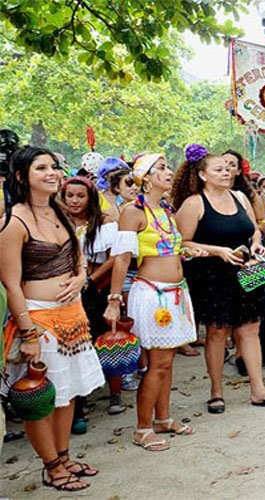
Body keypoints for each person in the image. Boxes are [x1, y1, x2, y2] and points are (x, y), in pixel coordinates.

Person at [0, 146, 104, 491]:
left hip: (74, 315)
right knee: (41, 397)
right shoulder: (14, 221)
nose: (52, 173)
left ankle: (64, 455)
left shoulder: (59, 212)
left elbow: (80, 258)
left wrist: (79, 277)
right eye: (41, 168)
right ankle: (51, 466)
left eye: (54, 166)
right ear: (20, 177)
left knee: (69, 392)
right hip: (39, 320)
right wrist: (28, 334)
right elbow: (11, 285)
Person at [172, 145, 265, 414]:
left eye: (228, 168)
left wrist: (257, 244)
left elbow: (254, 230)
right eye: (219, 169)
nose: (226, 173)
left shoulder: (240, 197)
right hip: (212, 277)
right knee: (217, 332)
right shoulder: (194, 204)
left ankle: (258, 389)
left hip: (247, 273)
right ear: (202, 175)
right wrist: (217, 251)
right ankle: (216, 391)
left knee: (250, 329)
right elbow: (181, 244)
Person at [104, 153, 203, 452]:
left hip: (175, 291)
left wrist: (189, 253)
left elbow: (170, 249)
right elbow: (122, 258)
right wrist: (113, 299)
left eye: (167, 166)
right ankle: (142, 428)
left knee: (167, 363)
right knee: (157, 364)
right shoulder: (133, 212)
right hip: (152, 294)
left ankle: (163, 418)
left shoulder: (166, 211)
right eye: (160, 168)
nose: (168, 171)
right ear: (144, 177)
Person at [61, 177, 123, 416]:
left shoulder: (104, 222)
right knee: (76, 342)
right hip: (70, 289)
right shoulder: (58, 222)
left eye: (80, 196)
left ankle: (114, 393)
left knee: (107, 338)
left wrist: (91, 280)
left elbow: (114, 257)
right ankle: (79, 402)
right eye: (70, 196)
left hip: (99, 288)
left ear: (90, 198)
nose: (74, 201)